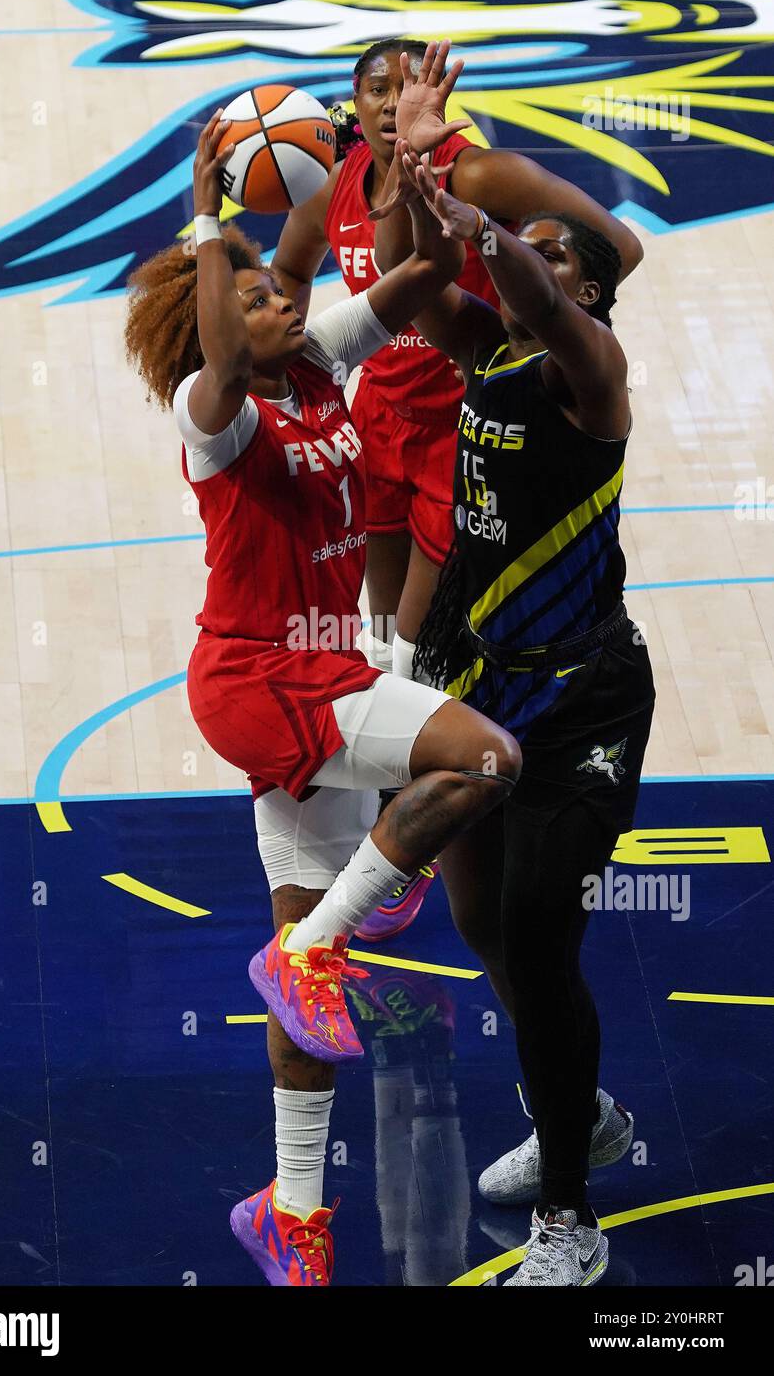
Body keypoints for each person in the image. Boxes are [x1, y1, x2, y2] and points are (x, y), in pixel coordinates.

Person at [124, 65, 521, 1288]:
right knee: (487, 757)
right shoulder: (220, 414)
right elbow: (224, 354)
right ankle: (320, 940)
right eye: (252, 295)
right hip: (264, 680)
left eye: (277, 284)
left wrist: (406, 179)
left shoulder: (314, 361)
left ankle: (292, 1211)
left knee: (309, 975)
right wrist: (208, 230)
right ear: (215, 329)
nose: (279, 297)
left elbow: (405, 282)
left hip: (313, 678)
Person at [370, 55, 655, 1284]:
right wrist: (405, 159)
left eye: (553, 252)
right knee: (480, 917)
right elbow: (404, 279)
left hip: (584, 695)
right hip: (487, 682)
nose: (524, 260)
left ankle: (570, 1216)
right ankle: (575, 1106)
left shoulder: (591, 379)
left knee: (535, 936)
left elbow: (532, 291)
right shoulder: (483, 349)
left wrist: (486, 220)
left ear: (583, 288)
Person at [272, 34, 643, 940]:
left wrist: (534, 322)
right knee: (378, 625)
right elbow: (308, 269)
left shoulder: (481, 174)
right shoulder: (343, 184)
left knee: (421, 640)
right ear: (351, 108)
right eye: (376, 89)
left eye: (408, 86)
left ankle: (408, 838)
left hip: (461, 428)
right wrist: (295, 351)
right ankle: (396, 812)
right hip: (381, 423)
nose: (392, 100)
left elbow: (620, 249)